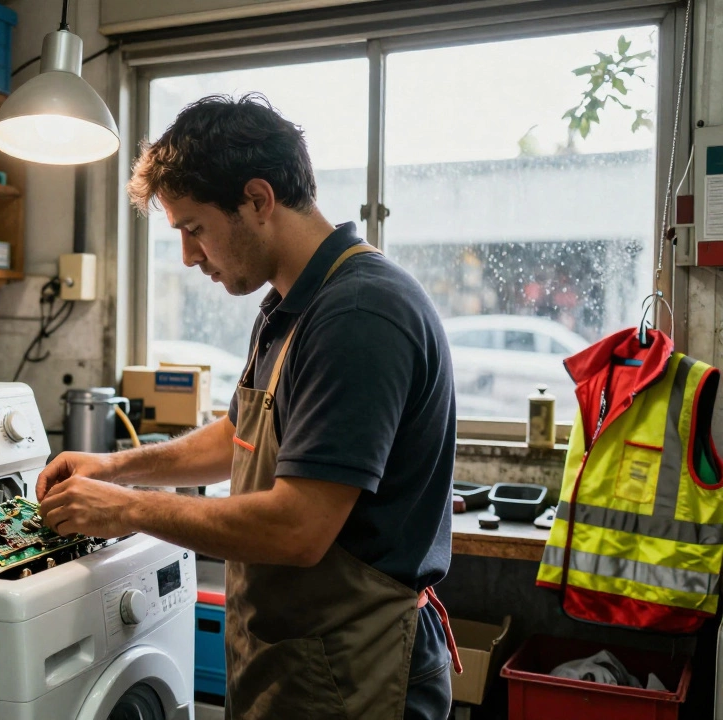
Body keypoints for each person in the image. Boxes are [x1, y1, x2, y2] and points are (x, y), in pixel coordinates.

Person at [37, 94, 460, 720]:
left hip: (357, 669)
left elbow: (297, 529)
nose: (187, 255)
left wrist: (123, 509)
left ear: (258, 200)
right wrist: (113, 467)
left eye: (194, 228)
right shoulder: (289, 305)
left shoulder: (360, 314)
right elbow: (237, 436)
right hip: (297, 656)